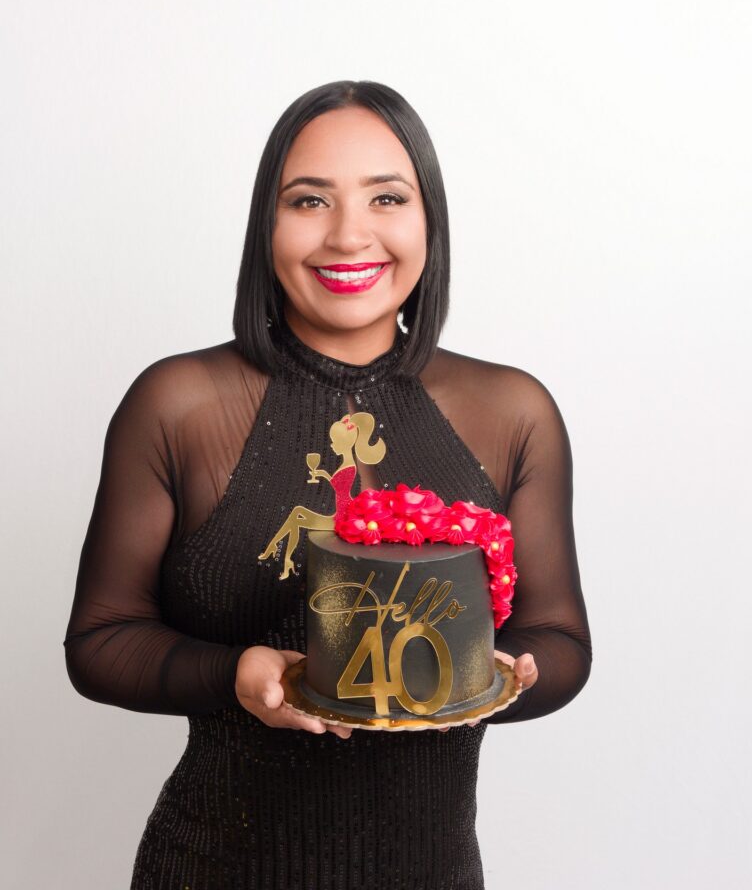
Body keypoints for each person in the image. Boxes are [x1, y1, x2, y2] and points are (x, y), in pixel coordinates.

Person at [63, 80, 592, 890]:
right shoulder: (178, 405)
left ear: (429, 220)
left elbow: (561, 640)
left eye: (387, 197)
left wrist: (488, 675)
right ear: (266, 225)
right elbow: (101, 642)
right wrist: (236, 675)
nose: (349, 234)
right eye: (309, 200)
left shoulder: (511, 412)